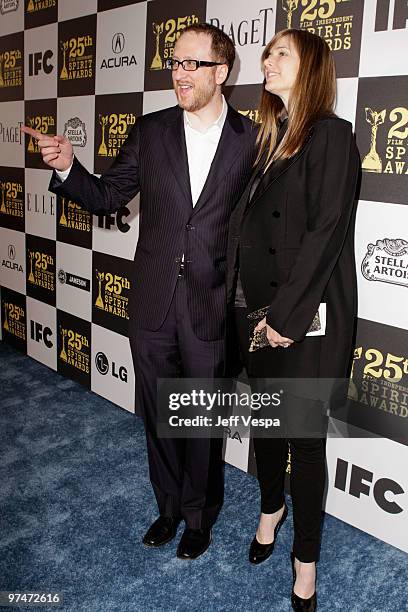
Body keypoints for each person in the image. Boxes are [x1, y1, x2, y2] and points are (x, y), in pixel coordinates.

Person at [22, 23, 257, 560]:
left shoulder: (251, 140)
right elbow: (108, 195)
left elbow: (264, 226)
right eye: (175, 62)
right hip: (151, 299)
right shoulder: (151, 131)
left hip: (210, 301)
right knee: (156, 412)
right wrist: (67, 168)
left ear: (221, 72)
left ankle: (199, 517)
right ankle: (169, 508)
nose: (179, 73)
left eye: (192, 64)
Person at [226, 29, 360, 610]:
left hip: (304, 319)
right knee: (266, 428)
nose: (266, 61)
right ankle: (269, 509)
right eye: (266, 53)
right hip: (254, 316)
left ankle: (305, 562)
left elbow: (325, 232)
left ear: (312, 67)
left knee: (304, 442)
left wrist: (285, 318)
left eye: (280, 53)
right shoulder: (266, 139)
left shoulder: (332, 135)